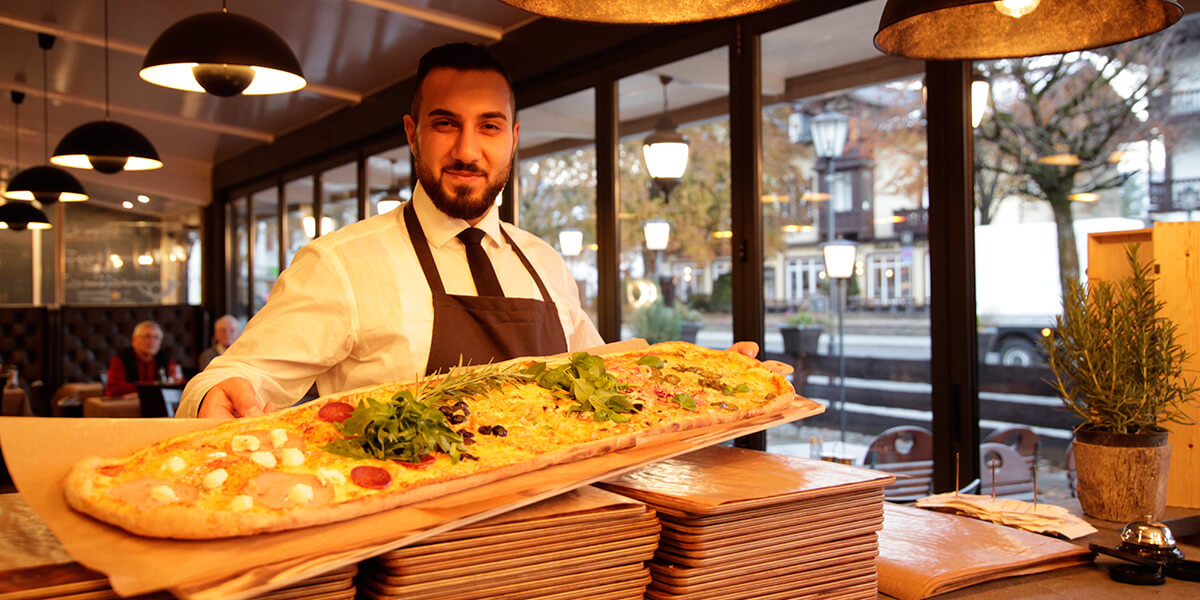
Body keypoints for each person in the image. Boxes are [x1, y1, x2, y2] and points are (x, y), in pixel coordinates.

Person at [180, 43, 784, 419]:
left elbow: (607, 379)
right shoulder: (341, 263)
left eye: (489, 127)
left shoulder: (543, 261)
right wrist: (219, 395)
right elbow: (238, 376)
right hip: (411, 557)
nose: (467, 150)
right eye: (446, 124)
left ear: (513, 140)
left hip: (560, 548)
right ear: (413, 133)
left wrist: (708, 376)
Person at [105, 321, 179, 397]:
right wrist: (152, 387)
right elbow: (113, 389)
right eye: (147, 336)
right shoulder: (121, 359)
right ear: (134, 339)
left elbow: (177, 384)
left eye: (156, 338)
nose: (152, 341)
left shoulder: (166, 358)